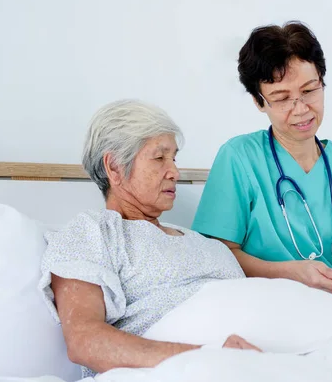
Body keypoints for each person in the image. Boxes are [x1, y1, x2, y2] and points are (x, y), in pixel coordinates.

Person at [38, 100, 260, 377]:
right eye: (159, 158)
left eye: (174, 158)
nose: (175, 173)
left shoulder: (204, 242)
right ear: (115, 167)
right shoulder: (93, 232)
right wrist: (207, 357)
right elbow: (85, 340)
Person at [191, 21, 332, 303]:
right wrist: (290, 273)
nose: (301, 109)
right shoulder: (239, 158)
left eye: (309, 90)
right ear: (259, 102)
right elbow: (216, 255)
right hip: (259, 311)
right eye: (282, 98)